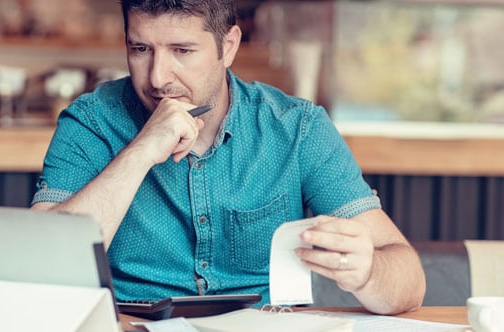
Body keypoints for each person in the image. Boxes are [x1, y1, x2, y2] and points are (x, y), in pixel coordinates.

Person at [31, 0, 425, 315]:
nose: (156, 77)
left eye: (182, 50)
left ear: (229, 46)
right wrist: (140, 152)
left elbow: (409, 283)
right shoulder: (91, 121)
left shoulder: (296, 128)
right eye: (140, 49)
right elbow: (40, 266)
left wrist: (369, 271)